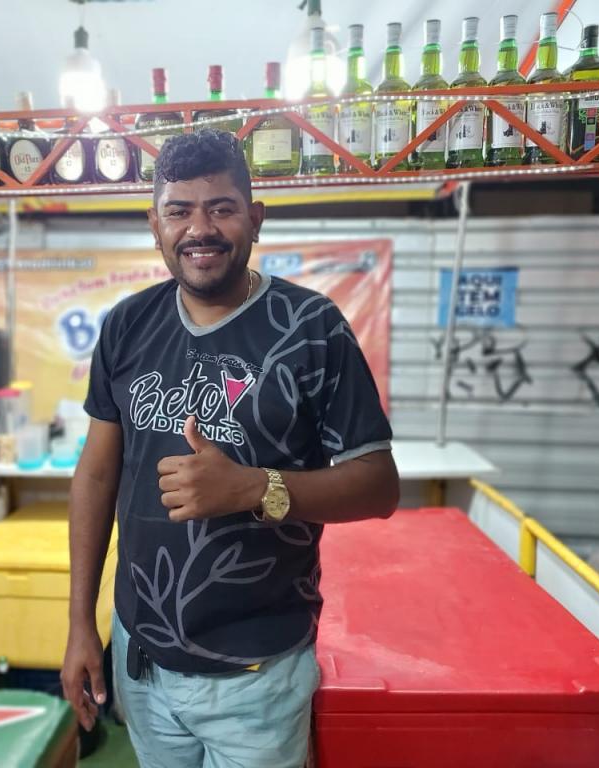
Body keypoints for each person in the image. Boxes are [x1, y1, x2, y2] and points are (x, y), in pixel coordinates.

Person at [61, 130, 399, 768]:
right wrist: (82, 622)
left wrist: (254, 487)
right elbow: (97, 475)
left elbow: (378, 485)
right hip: (142, 658)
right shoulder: (128, 325)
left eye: (221, 208)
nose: (200, 229)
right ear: (155, 227)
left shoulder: (312, 328)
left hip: (257, 673)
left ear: (255, 218)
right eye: (179, 211)